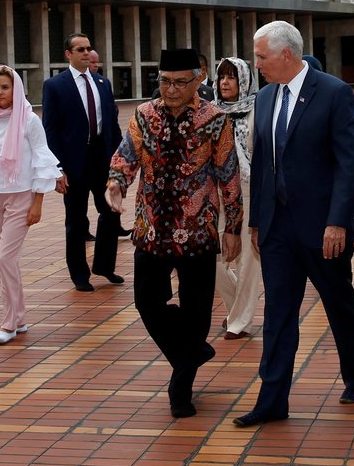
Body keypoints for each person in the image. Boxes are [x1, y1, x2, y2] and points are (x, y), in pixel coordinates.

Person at [233, 20, 354, 427]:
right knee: (278, 314)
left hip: (324, 228)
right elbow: (262, 166)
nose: (257, 64)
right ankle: (272, 400)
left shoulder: (333, 92)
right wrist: (257, 222)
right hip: (278, 230)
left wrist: (337, 221)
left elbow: (349, 162)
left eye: (261, 56)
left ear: (286, 54)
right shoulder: (268, 96)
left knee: (338, 304)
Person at [105, 47, 243, 419]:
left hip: (197, 229)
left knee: (197, 311)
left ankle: (181, 386)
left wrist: (233, 227)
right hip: (151, 228)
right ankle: (192, 352)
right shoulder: (144, 115)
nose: (170, 89)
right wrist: (116, 184)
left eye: (180, 82)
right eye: (165, 81)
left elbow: (227, 173)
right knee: (147, 302)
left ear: (198, 79)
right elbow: (125, 156)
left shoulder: (214, 119)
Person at [0, 66, 61, 344]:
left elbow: (42, 159)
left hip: (21, 197)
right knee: (2, 262)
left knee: (6, 257)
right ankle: (18, 318)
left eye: (5, 87)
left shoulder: (29, 120)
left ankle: (8, 324)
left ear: (16, 89)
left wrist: (38, 203)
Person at [42, 33, 124, 292]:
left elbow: (112, 124)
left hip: (103, 160)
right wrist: (57, 168)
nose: (86, 53)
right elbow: (50, 130)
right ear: (68, 54)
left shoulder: (102, 83)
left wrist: (121, 160)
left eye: (89, 48)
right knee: (76, 222)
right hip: (74, 163)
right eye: (80, 49)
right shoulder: (55, 85)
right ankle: (79, 274)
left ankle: (104, 266)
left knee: (111, 213)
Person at [213, 57, 261, 339]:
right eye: (221, 77)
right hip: (217, 193)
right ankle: (235, 311)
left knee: (248, 260)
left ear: (243, 80)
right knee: (214, 258)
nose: (225, 83)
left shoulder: (257, 110)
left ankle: (240, 321)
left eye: (231, 77)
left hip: (249, 190)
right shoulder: (211, 113)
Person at [87, 49, 131, 239]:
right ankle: (82, 232)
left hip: (102, 154)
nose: (96, 66)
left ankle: (115, 230)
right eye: (92, 62)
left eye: (97, 62)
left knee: (107, 200)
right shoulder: (61, 85)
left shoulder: (103, 84)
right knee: (76, 209)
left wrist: (120, 149)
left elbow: (112, 120)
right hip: (79, 158)